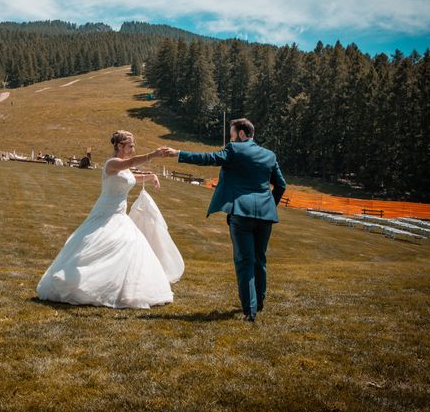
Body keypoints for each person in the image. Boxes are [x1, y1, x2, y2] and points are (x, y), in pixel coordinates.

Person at [160, 118, 286, 322]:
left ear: (242, 134)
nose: (230, 138)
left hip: (241, 213)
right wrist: (270, 205)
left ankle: (250, 311)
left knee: (244, 261)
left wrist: (178, 153)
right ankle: (259, 302)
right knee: (259, 259)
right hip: (265, 215)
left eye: (232, 134)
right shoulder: (269, 155)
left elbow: (208, 158)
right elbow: (281, 185)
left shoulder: (235, 150)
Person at [37, 130, 174, 308]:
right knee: (95, 244)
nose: (133, 148)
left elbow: (130, 176)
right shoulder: (112, 163)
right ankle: (75, 281)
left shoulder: (122, 167)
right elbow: (130, 163)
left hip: (119, 214)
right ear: (119, 146)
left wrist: (150, 176)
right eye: (130, 145)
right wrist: (153, 155)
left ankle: (124, 289)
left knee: (129, 244)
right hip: (105, 212)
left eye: (133, 145)